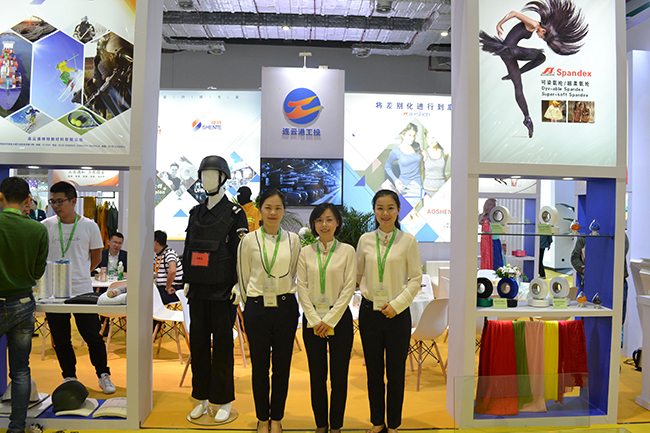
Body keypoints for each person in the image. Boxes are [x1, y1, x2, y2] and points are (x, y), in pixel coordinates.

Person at [183, 156, 248, 422]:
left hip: (223, 292)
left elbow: (241, 253)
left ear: (223, 178)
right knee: (198, 346)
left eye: (213, 174)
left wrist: (239, 284)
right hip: (197, 291)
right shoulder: (195, 213)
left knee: (222, 347)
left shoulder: (235, 213)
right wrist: (187, 279)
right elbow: (188, 248)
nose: (207, 179)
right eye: (204, 175)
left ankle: (223, 400)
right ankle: (201, 397)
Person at [356, 188, 422, 433]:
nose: (385, 213)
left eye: (390, 208)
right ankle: (377, 422)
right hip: (370, 314)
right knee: (374, 373)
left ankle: (393, 424)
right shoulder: (365, 240)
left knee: (396, 373)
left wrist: (397, 304)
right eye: (380, 208)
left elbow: (416, 279)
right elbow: (358, 274)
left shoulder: (408, 241)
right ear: (374, 210)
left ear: (398, 211)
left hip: (398, 314)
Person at [237, 188, 301, 433]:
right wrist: (250, 306)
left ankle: (277, 418)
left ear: (284, 211)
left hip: (285, 308)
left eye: (278, 208)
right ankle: (262, 418)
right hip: (257, 308)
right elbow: (243, 277)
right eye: (268, 207)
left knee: (282, 367)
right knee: (260, 367)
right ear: (260, 210)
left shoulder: (293, 240)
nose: (273, 212)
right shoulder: (248, 240)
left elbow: (294, 272)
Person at [42, 181, 115, 394]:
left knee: (92, 336)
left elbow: (96, 258)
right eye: (52, 202)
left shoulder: (90, 226)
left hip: (82, 290)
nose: (56, 206)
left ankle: (103, 374)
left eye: (60, 201)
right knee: (61, 338)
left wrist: (80, 273)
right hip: (54, 293)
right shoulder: (45, 226)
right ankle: (69, 377)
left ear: (74, 201)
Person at [479, 0, 588, 138]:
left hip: (507, 53)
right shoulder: (534, 24)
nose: (540, 37)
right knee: (541, 57)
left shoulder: (535, 27)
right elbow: (513, 13)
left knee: (519, 86)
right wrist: (499, 24)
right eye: (543, 37)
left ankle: (527, 118)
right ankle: (516, 74)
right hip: (509, 49)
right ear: (544, 30)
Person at [297, 204, 357, 433]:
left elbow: (349, 288)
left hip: (339, 319)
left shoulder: (347, 251)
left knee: (339, 378)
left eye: (329, 219)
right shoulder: (305, 252)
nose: (324, 224)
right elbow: (301, 287)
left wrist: (330, 320)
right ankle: (321, 425)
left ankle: (336, 426)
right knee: (317, 377)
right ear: (313, 224)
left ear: (337, 223)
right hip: (312, 320)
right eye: (319, 220)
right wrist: (314, 320)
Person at [0, 177, 48, 433]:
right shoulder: (38, 230)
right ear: (28, 199)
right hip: (22, 303)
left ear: (1, 197)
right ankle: (17, 427)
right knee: (20, 370)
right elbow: (38, 271)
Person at [571, 233, 629, 323]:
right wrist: (583, 269)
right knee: (589, 320)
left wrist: (596, 268)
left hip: (616, 283)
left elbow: (618, 256)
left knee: (617, 321)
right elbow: (575, 257)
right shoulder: (586, 237)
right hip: (593, 283)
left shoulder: (619, 233)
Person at [385, 123, 423, 195]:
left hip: (418, 186)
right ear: (403, 135)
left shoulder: (417, 147)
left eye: (414, 135)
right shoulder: (396, 151)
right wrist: (395, 180)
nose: (412, 138)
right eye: (410, 135)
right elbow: (387, 166)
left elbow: (421, 164)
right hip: (404, 187)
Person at [153, 230, 183, 305]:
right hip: (162, 289)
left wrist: (167, 287)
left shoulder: (169, 253)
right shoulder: (158, 256)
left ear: (156, 242)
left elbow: (172, 271)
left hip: (171, 290)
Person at [422, 131, 450, 197]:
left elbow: (442, 171)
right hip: (427, 190)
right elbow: (419, 172)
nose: (430, 141)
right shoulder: (423, 153)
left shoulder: (445, 153)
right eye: (428, 138)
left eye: (433, 138)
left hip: (442, 189)